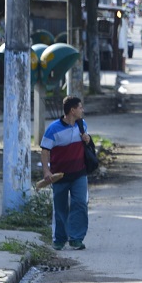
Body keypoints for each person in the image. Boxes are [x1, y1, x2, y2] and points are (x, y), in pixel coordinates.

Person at [39, 96, 93, 251]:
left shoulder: (82, 125)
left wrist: (87, 139)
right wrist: (46, 170)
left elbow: (87, 144)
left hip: (79, 173)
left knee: (80, 204)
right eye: (80, 107)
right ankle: (60, 239)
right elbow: (44, 151)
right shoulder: (53, 128)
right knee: (60, 207)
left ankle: (76, 238)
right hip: (59, 175)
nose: (82, 110)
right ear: (72, 110)